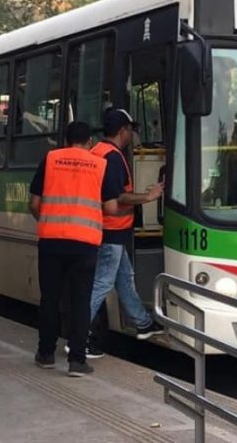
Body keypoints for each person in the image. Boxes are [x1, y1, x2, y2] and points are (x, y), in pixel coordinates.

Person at [29, 121, 116, 377]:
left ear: (66, 140)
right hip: (85, 245)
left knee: (50, 299)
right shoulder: (100, 164)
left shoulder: (51, 159)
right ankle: (77, 360)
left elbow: (34, 203)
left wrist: (46, 221)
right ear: (89, 142)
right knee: (80, 302)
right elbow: (110, 208)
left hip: (51, 242)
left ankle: (45, 354)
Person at [83, 108, 165, 358]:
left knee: (124, 278)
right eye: (131, 130)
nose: (132, 134)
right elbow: (118, 196)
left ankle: (143, 323)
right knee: (102, 283)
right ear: (123, 131)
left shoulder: (96, 151)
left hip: (106, 229)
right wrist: (148, 197)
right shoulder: (113, 157)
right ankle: (79, 336)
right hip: (112, 229)